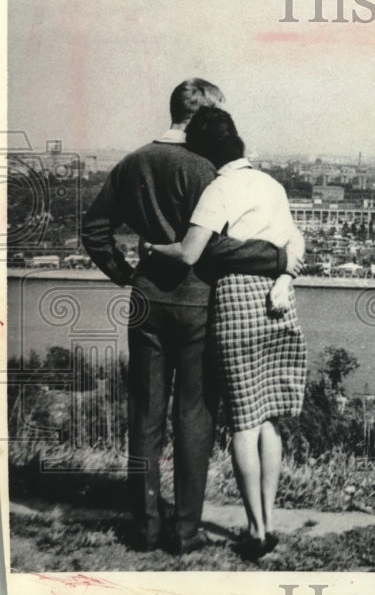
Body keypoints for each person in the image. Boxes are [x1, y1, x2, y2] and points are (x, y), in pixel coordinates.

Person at [81, 79, 301, 555]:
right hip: (201, 303)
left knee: (145, 413)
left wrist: (127, 275)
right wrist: (279, 260)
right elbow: (215, 246)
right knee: (195, 415)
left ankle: (145, 526)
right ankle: (185, 530)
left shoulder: (133, 162)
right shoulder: (209, 170)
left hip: (146, 302)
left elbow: (94, 229)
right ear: (204, 114)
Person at [144, 106, 307, 560]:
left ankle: (255, 531)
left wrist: (151, 247)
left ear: (205, 153)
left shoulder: (219, 189)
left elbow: (189, 252)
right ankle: (269, 520)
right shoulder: (271, 184)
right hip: (279, 299)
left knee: (243, 421)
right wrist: (284, 278)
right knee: (269, 418)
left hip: (237, 300)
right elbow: (294, 241)